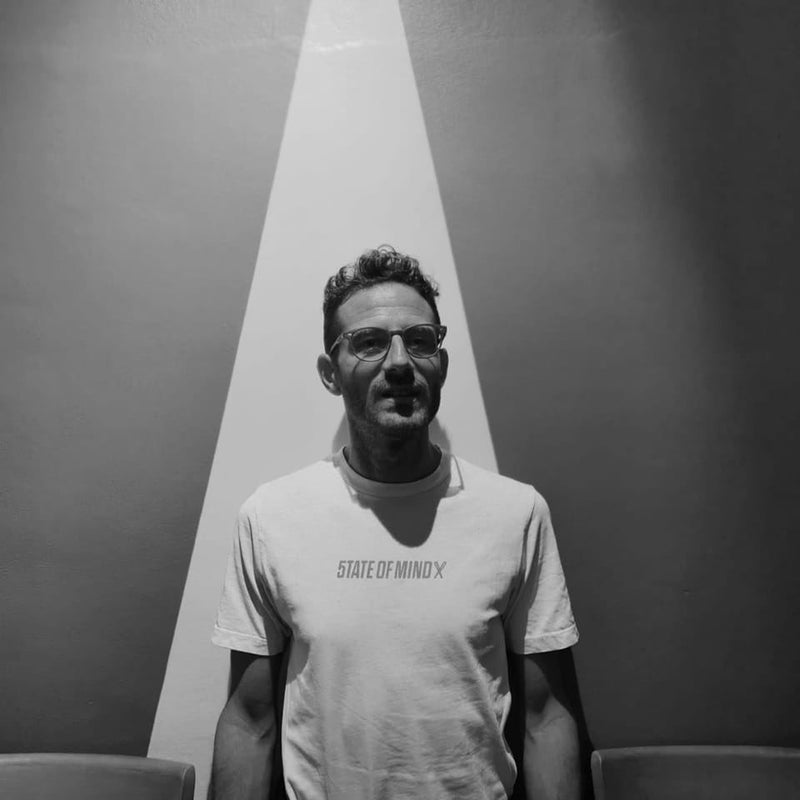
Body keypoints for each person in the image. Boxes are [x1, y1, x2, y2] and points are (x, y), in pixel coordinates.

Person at [210, 246, 581, 800]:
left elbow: (546, 718)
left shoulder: (516, 513)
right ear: (330, 373)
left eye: (421, 340)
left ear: (442, 364)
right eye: (369, 342)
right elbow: (250, 719)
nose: (401, 362)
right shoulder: (271, 518)